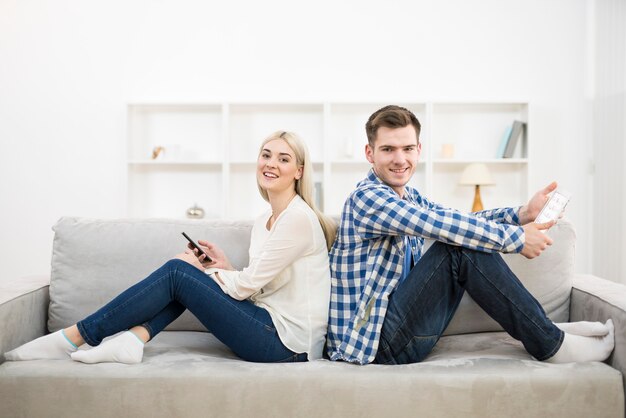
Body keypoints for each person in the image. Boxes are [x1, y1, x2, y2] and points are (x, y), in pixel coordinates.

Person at [6, 131, 336, 364]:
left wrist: (215, 272)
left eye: (283, 158)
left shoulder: (297, 219)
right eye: (266, 155)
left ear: (299, 171)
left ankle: (76, 336)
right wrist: (224, 268)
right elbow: (257, 286)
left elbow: (248, 287)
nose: (271, 164)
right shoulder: (266, 218)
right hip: (268, 323)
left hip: (288, 344)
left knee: (179, 271)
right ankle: (134, 339)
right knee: (185, 272)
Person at [326, 105, 614, 365]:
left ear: (419, 150)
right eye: (388, 149)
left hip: (401, 329)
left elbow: (459, 219)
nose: (400, 159)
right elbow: (443, 227)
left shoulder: (408, 196)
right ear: (370, 153)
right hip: (374, 345)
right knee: (457, 246)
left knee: (462, 239)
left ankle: (546, 331)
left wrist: (521, 213)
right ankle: (550, 343)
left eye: (408, 148)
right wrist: (517, 240)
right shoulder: (367, 198)